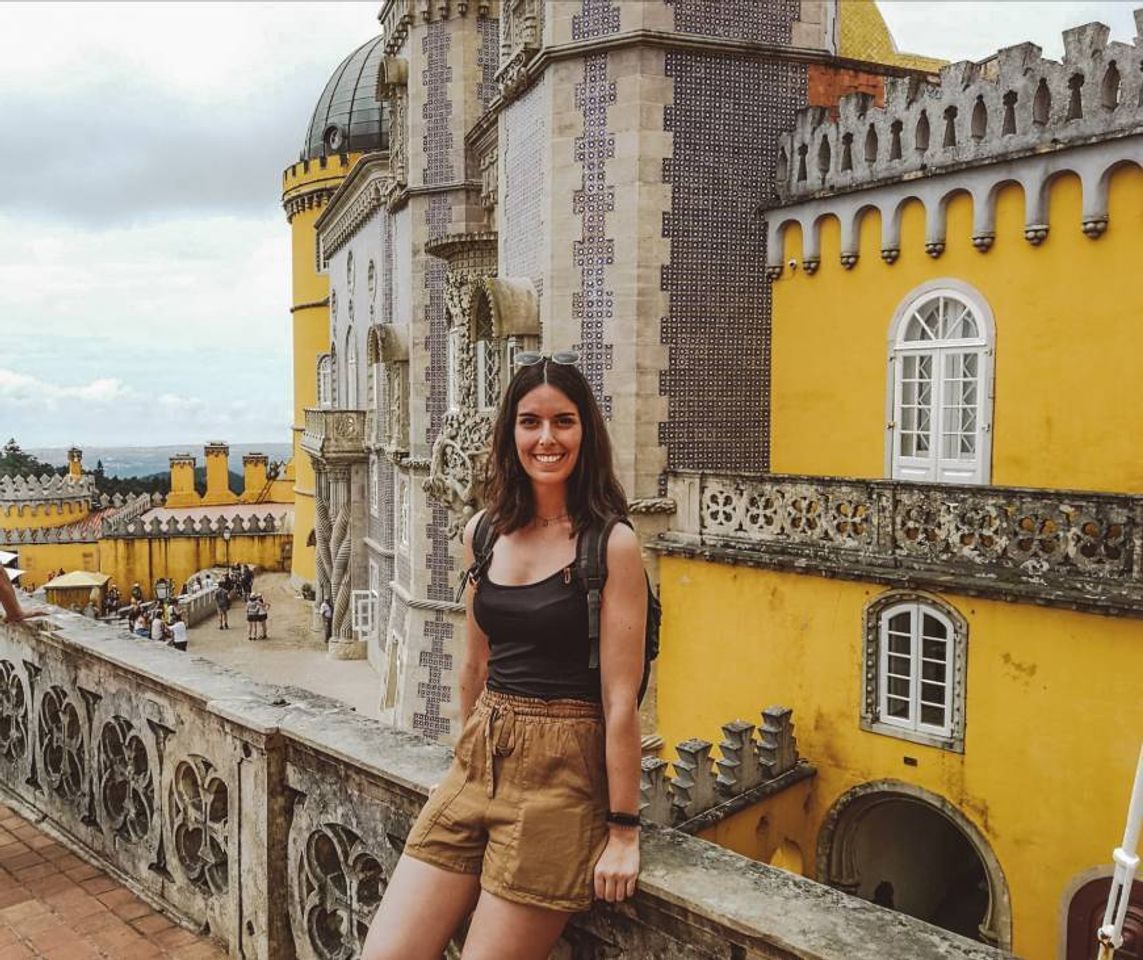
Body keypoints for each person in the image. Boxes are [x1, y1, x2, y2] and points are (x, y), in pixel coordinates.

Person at [362, 352, 646, 960]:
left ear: (585, 431)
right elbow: (473, 665)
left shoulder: (612, 544)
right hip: (476, 761)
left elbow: (621, 700)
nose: (547, 438)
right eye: (530, 421)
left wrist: (623, 829)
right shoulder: (483, 533)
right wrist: (464, 754)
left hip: (560, 779)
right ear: (510, 433)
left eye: (563, 421)